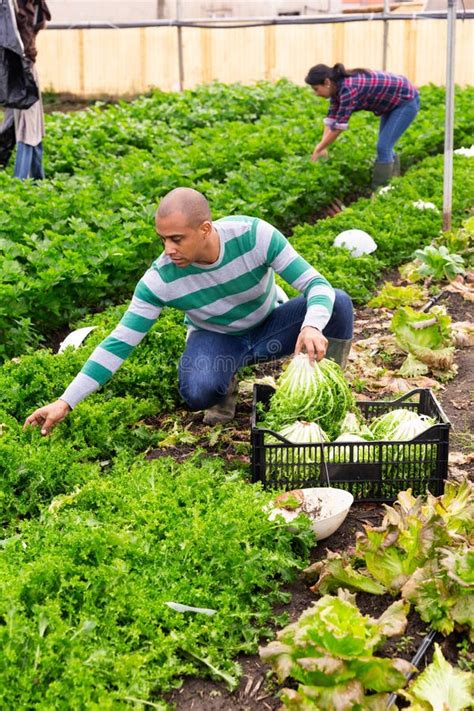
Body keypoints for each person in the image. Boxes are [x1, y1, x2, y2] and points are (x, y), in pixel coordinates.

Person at [24, 188, 354, 435]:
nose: (169, 249)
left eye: (177, 239)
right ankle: (225, 379)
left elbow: (317, 284)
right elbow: (118, 341)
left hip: (271, 324)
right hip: (217, 336)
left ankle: (325, 387)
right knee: (199, 391)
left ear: (206, 229)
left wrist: (311, 326)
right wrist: (66, 401)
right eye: (163, 239)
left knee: (337, 303)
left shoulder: (254, 236)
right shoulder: (160, 279)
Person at [305, 63, 420, 189]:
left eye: (316, 89)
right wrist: (322, 146)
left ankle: (381, 192)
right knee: (386, 146)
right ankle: (393, 185)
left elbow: (339, 127)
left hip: (405, 101)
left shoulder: (348, 89)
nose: (316, 93)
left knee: (384, 147)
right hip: (392, 103)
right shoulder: (336, 88)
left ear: (327, 82)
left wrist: (319, 148)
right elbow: (331, 119)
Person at [12, 0, 51, 179]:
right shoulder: (12, 5)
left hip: (26, 66)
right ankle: (21, 181)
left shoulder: (34, 5)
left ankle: (36, 177)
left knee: (33, 123)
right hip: (19, 68)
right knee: (28, 126)